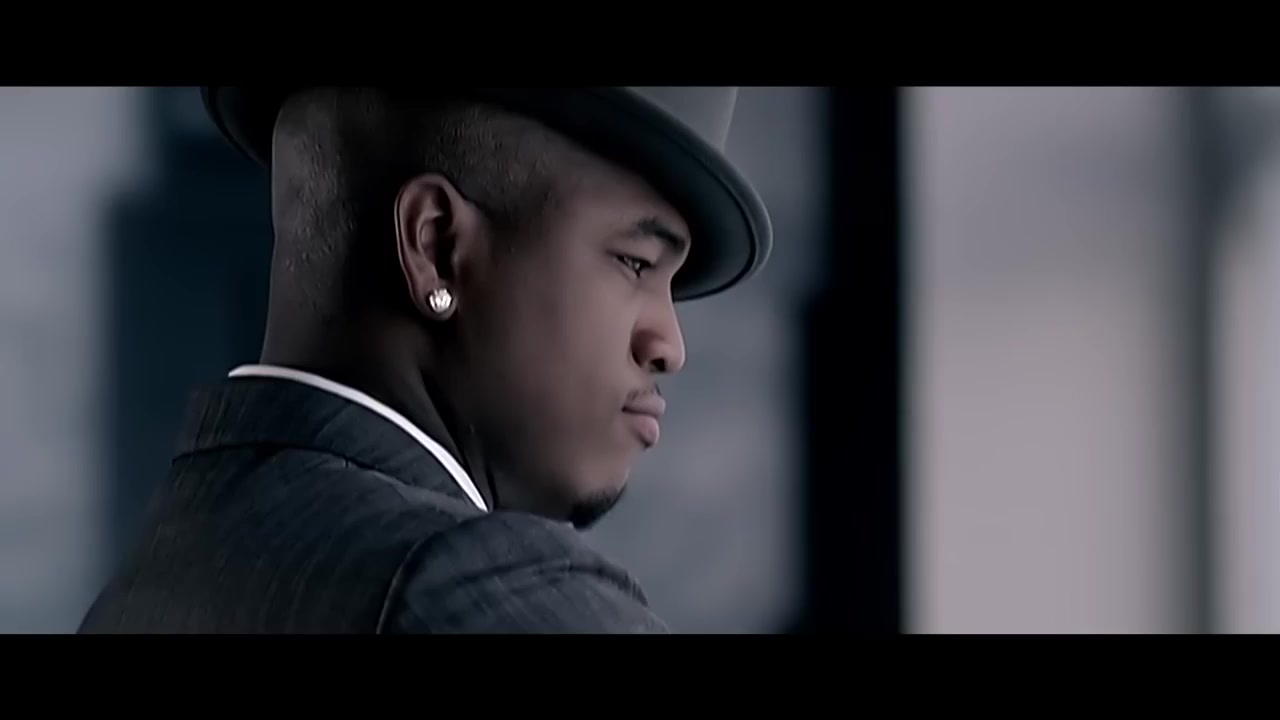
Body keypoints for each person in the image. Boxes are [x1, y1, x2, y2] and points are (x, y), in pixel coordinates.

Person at [78, 86, 772, 633]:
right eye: (636, 262)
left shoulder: (146, 586)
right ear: (436, 246)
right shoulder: (490, 598)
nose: (669, 345)